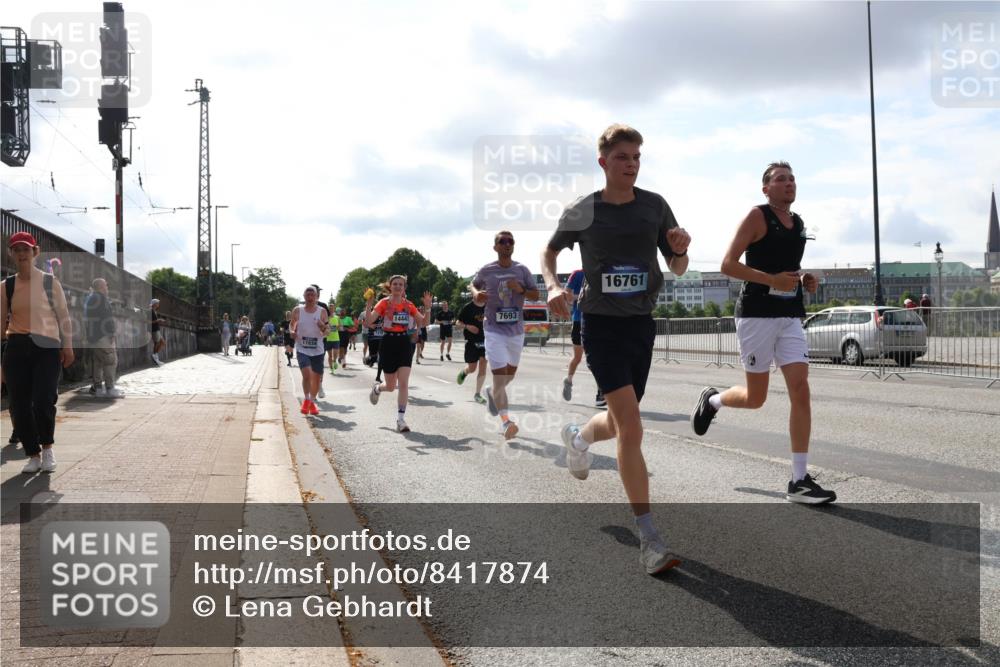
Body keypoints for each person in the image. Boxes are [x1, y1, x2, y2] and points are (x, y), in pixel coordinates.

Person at [541, 124, 691, 575]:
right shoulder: (583, 210)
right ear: (603, 162)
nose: (631, 164)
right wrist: (551, 286)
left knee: (618, 421)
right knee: (632, 426)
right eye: (623, 156)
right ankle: (649, 538)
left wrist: (682, 249)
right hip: (601, 325)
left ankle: (578, 437)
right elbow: (549, 252)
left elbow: (678, 266)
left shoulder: (654, 206)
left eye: (637, 156)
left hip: (641, 325)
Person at [690, 161, 836, 506]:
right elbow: (728, 265)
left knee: (801, 390)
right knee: (756, 398)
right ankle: (712, 400)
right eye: (780, 179)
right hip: (756, 314)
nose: (788, 184)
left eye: (792, 179)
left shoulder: (798, 223)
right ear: (766, 189)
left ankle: (799, 479)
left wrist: (805, 280)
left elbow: (790, 270)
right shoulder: (757, 217)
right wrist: (772, 280)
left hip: (789, 316)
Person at [1, 232, 75, 473]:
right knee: (18, 405)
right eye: (17, 250)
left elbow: (63, 316)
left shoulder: (49, 282)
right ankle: (32, 454)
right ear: (11, 254)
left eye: (26, 249)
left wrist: (68, 345)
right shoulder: (6, 286)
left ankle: (48, 448)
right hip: (16, 347)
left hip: (47, 346)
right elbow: (1, 325)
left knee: (43, 400)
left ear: (36, 252)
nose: (22, 254)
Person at [472, 230, 539, 440]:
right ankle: (506, 422)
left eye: (510, 241)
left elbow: (536, 295)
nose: (507, 244)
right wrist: (476, 294)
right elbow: (473, 285)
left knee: (509, 376)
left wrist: (520, 289)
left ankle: (492, 391)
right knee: (501, 378)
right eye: (503, 241)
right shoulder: (487, 270)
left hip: (515, 331)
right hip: (493, 330)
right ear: (495, 247)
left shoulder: (522, 270)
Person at [364, 276, 432, 433]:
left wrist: (427, 308)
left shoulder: (408, 305)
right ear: (390, 286)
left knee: (403, 384)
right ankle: (377, 389)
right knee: (390, 386)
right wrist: (369, 305)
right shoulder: (384, 303)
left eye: (400, 284)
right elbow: (368, 322)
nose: (397, 286)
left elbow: (424, 322)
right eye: (395, 284)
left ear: (404, 288)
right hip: (388, 343)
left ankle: (400, 420)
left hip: (404, 343)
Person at [560, 269, 605, 407]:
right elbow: (566, 295)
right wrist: (582, 296)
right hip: (579, 320)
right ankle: (568, 381)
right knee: (578, 358)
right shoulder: (577, 274)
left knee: (595, 358)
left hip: (597, 320)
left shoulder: (600, 273)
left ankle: (601, 391)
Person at [290, 285, 330, 415]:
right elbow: (292, 324)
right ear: (304, 297)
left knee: (316, 379)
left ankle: (312, 402)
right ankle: (306, 399)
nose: (310, 297)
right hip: (302, 347)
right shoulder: (297, 310)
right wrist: (292, 331)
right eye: (307, 294)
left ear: (317, 297)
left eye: (312, 294)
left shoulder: (322, 311)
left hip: (318, 349)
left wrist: (323, 326)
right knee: (306, 374)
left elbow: (328, 331)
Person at [83, 278, 123, 398]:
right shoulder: (101, 298)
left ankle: (98, 388)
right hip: (102, 336)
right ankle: (110, 389)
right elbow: (107, 317)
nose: (107, 288)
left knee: (98, 362)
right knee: (110, 360)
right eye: (106, 286)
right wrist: (112, 333)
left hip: (93, 337)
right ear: (101, 287)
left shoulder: (90, 298)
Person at [455, 299, 488, 404]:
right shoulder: (468, 307)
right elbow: (457, 323)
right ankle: (464, 372)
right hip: (472, 342)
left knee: (483, 363)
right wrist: (467, 326)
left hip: (486, 340)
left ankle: (477, 394)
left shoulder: (489, 305)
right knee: (472, 368)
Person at [324, 305, 342, 371]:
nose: (331, 309)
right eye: (330, 308)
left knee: (335, 355)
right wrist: (327, 328)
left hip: (336, 339)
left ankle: (334, 361)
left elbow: (340, 327)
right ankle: (331, 369)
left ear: (334, 309)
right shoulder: (326, 318)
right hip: (328, 339)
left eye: (332, 308)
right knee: (330, 356)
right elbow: (324, 327)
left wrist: (337, 327)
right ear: (328, 309)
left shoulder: (337, 317)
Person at [150, 298, 166, 366]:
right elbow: (148, 321)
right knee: (157, 343)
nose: (158, 304)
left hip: (157, 329)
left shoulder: (154, 311)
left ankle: (155, 356)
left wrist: (159, 321)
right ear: (154, 304)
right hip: (154, 330)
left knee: (162, 343)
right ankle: (155, 358)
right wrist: (158, 320)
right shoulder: (150, 311)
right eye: (157, 303)